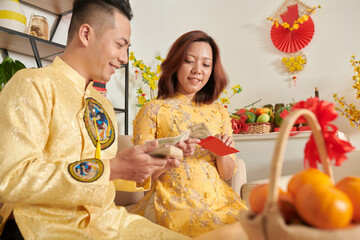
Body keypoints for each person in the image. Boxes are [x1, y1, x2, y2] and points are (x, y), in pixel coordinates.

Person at [0, 0, 188, 239]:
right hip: (41, 225)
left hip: (107, 223)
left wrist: (148, 166)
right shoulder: (31, 84)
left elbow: (108, 181)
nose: (125, 58)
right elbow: (11, 179)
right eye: (120, 45)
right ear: (86, 34)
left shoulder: (104, 106)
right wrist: (112, 168)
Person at [130, 30, 248, 237]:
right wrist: (171, 154)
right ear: (176, 63)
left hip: (218, 200)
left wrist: (221, 151)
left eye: (205, 64)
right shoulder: (154, 110)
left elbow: (227, 173)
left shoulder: (218, 111)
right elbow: (142, 176)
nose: (197, 70)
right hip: (174, 202)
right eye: (189, 61)